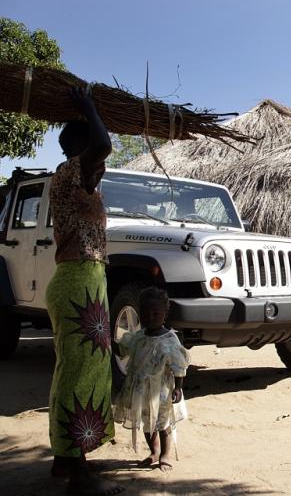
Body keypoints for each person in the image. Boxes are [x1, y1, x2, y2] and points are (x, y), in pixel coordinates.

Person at [45, 88, 124, 494]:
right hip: (80, 279)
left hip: (74, 279)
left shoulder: (69, 178)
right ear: (79, 147)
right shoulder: (76, 169)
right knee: (84, 374)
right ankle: (78, 470)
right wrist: (88, 106)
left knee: (69, 370)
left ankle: (63, 457)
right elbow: (105, 145)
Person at [113, 287, 190, 472]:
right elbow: (121, 349)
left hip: (161, 392)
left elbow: (179, 366)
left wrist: (178, 388)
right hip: (139, 391)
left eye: (156, 313)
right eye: (146, 313)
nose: (150, 317)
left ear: (165, 314)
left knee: (162, 424)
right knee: (147, 423)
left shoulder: (170, 339)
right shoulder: (138, 337)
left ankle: (165, 455)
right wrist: (106, 341)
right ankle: (154, 451)